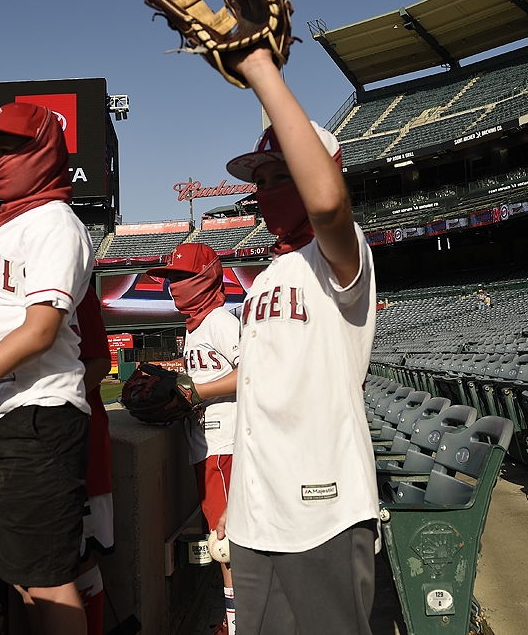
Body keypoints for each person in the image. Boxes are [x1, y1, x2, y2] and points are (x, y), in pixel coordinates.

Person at [215, 48, 379, 635]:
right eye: (259, 179)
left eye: (279, 175)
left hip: (324, 506)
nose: (263, 190)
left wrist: (262, 73)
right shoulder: (270, 272)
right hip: (257, 509)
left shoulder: (340, 253)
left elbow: (329, 204)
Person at [0, 102, 94, 635]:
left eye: (7, 149)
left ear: (44, 151)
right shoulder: (3, 230)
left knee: (49, 581)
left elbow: (40, 330)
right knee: (23, 579)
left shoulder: (55, 222)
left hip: (37, 415)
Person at [147, 243, 240, 635]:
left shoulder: (219, 319)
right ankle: (238, 617)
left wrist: (200, 393)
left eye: (181, 277)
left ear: (204, 279)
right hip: (206, 444)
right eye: (171, 279)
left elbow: (256, 372)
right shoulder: (196, 325)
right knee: (225, 541)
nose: (174, 286)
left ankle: (237, 623)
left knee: (227, 542)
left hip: (226, 444)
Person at [75, 283, 115, 635]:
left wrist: (54, 404)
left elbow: (101, 361)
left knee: (79, 557)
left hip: (77, 442)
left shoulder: (74, 282)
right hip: (31, 445)